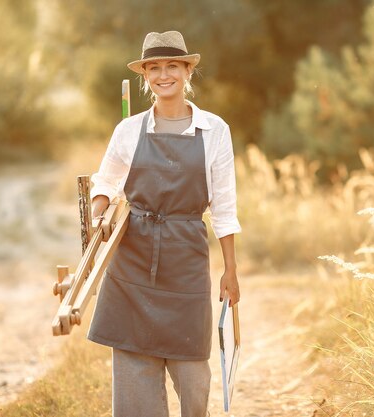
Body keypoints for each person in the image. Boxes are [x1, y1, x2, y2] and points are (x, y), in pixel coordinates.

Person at [86, 30, 241, 417]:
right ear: (145, 76)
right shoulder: (129, 129)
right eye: (154, 68)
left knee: (192, 373)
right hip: (133, 256)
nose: (163, 74)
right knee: (134, 368)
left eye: (172, 65)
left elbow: (223, 206)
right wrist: (100, 206)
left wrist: (231, 270)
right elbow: (105, 179)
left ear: (188, 70)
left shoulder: (214, 130)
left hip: (185, 253)